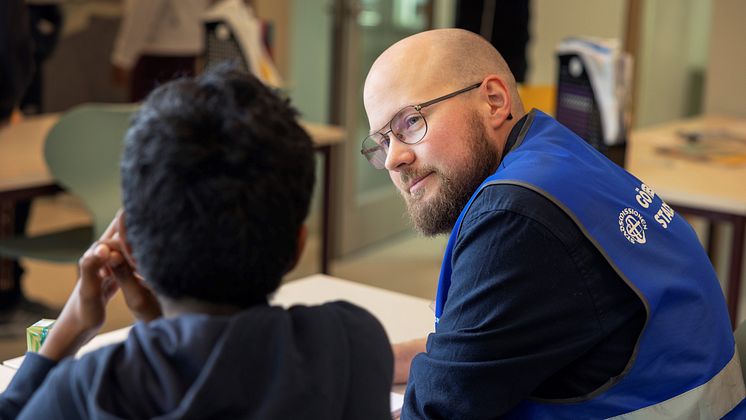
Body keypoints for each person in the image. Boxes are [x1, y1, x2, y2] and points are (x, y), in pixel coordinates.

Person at [361, 28, 744, 418]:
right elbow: (474, 350)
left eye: (410, 121)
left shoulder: (516, 215)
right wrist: (369, 364)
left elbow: (435, 410)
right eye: (383, 141)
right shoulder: (552, 157)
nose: (394, 159)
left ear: (494, 101)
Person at [0, 65, 393, 419]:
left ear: (132, 250)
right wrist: (159, 328)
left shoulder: (90, 389)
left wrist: (70, 327)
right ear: (297, 246)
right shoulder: (350, 344)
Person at [0, 0, 59, 336]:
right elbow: (12, 48)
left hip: (13, 97)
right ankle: (6, 304)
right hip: (9, 105)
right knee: (12, 201)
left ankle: (11, 296)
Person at [111, 0, 209, 102]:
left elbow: (142, 12)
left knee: (151, 111)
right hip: (185, 45)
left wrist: (124, 57)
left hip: (159, 52)